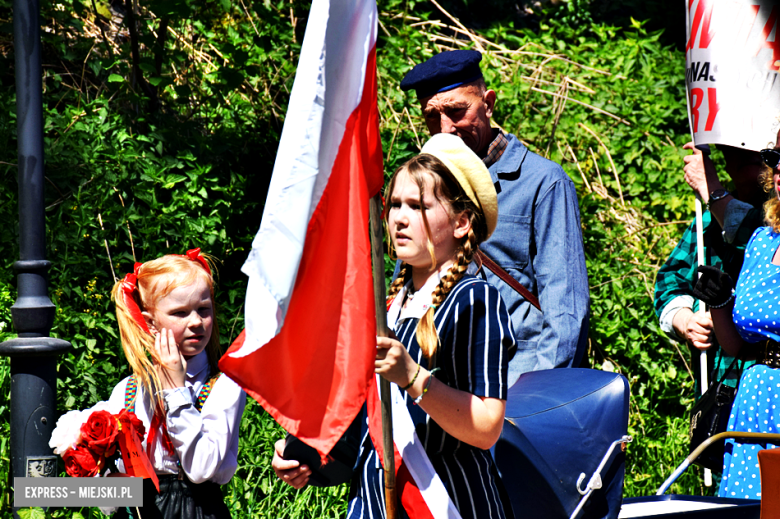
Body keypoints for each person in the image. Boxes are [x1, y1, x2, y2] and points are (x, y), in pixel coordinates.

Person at [275, 134, 516, 518]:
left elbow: (486, 425)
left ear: (461, 222)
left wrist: (414, 377)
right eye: (395, 205)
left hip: (448, 503)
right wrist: (310, 456)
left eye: (418, 206)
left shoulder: (474, 299)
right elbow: (365, 433)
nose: (399, 218)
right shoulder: (384, 309)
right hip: (374, 503)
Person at [399, 49, 589, 383]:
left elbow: (565, 316)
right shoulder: (423, 185)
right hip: (438, 389)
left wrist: (529, 403)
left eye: (457, 112)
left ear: (488, 104)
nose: (444, 130)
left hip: (514, 388)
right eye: (431, 117)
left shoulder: (542, 183)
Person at [105, 249, 246, 519]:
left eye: (203, 309)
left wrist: (176, 393)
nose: (196, 322)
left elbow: (201, 468)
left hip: (198, 509)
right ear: (150, 322)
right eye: (180, 313)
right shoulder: (129, 389)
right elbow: (115, 478)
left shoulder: (224, 385)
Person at [691, 140, 780, 499]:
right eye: (776, 158)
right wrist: (719, 301)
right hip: (756, 398)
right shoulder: (762, 241)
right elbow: (738, 346)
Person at [655, 144, 765, 390]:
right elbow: (670, 280)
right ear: (723, 158)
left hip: (764, 388)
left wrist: (711, 189)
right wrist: (685, 320)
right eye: (733, 148)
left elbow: (754, 233)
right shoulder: (706, 222)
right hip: (715, 387)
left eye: (760, 147)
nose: (748, 153)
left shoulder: (773, 222)